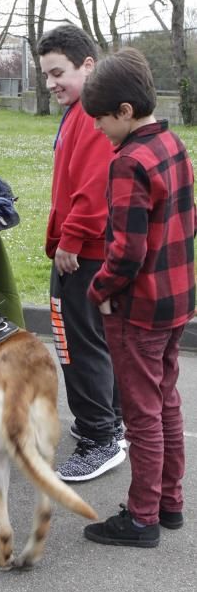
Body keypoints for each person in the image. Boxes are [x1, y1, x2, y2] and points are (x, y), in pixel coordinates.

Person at [81, 47, 195, 547]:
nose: (100, 130)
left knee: (141, 415)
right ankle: (170, 503)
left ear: (124, 112)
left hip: (139, 310)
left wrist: (99, 289)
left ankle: (143, 516)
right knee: (165, 400)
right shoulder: (173, 143)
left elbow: (126, 251)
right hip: (178, 302)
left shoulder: (129, 161)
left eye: (102, 120)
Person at [37, 24, 126, 481]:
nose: (51, 83)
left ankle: (99, 438)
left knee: (75, 341)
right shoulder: (81, 109)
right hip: (90, 246)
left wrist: (70, 239)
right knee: (98, 338)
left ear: (87, 66)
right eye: (47, 75)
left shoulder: (91, 112)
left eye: (58, 73)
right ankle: (111, 423)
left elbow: (94, 186)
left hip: (84, 250)